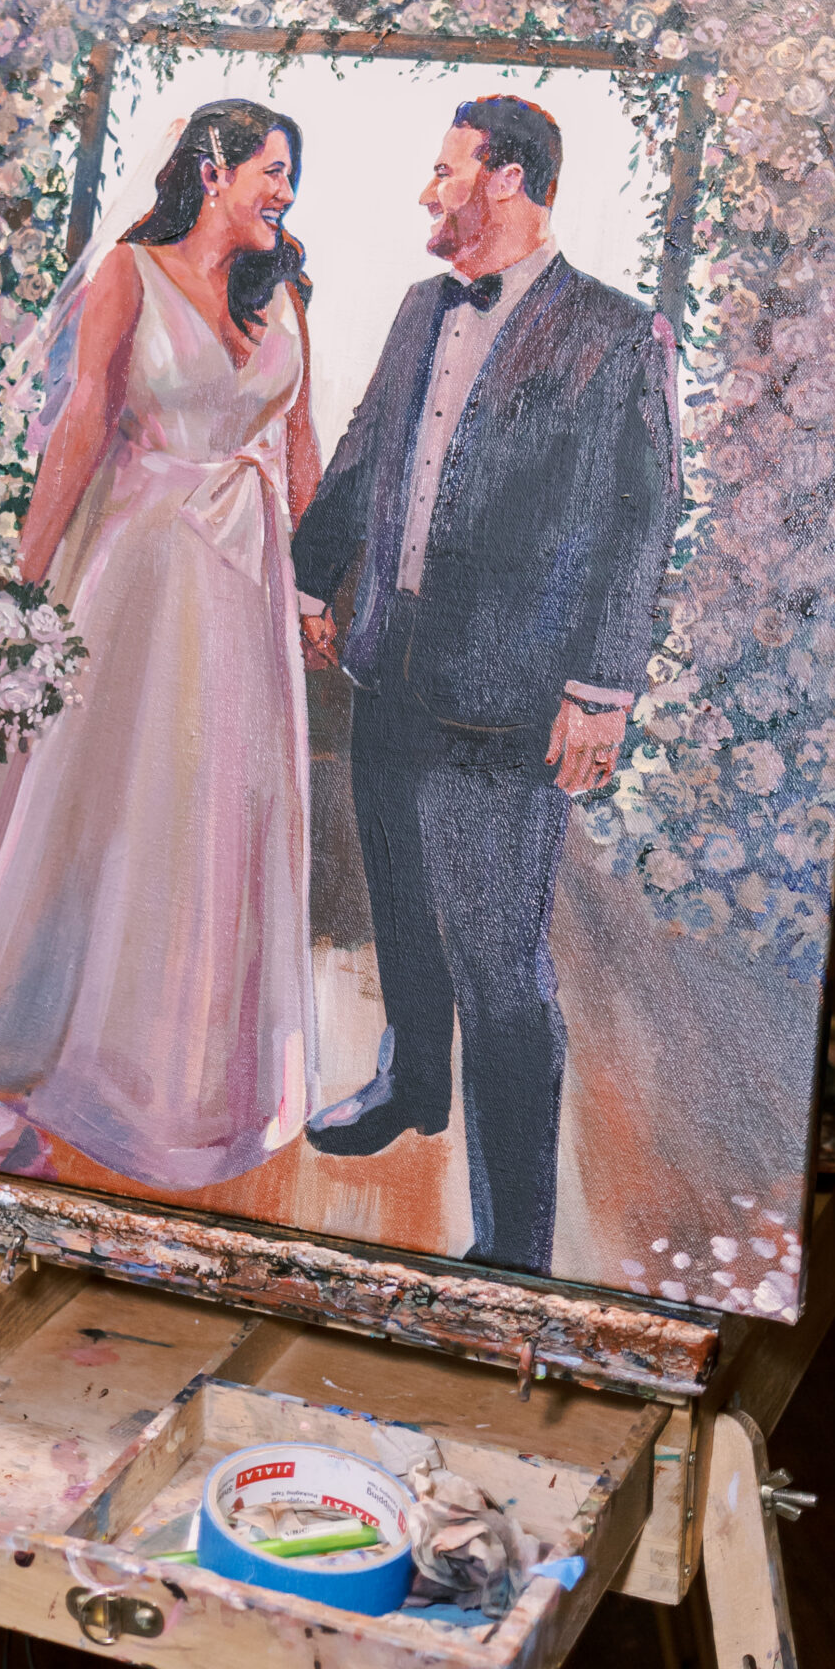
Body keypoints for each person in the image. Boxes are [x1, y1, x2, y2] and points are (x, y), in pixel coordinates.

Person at [0, 105, 323, 1187]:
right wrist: (24, 584)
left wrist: (320, 594)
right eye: (272, 172)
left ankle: (186, 1067)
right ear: (213, 171)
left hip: (244, 585)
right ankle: (62, 1030)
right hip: (137, 576)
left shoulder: (286, 288)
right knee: (114, 797)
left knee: (215, 810)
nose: (285, 194)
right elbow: (82, 424)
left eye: (290, 178)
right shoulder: (129, 271)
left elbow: (301, 446)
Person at [291, 97, 680, 1275]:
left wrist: (603, 688)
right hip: (390, 668)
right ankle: (413, 1085)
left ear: (505, 180)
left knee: (502, 974)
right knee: (403, 908)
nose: (427, 190)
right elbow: (365, 447)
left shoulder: (616, 334)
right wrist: (315, 585)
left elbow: (642, 517)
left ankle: (515, 1245)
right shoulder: (419, 308)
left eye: (445, 170)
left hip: (508, 704)